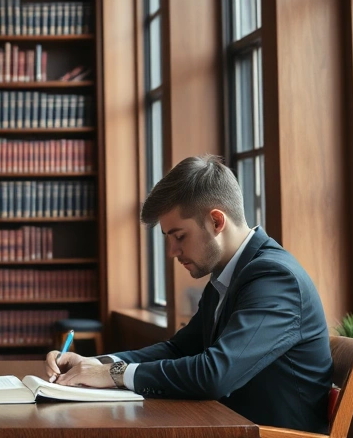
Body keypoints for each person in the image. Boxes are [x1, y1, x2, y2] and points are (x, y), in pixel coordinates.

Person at [45, 155, 333, 433]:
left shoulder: (274, 278)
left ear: (217, 222)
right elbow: (179, 349)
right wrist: (96, 364)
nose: (173, 252)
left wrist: (113, 375)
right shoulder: (231, 274)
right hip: (227, 425)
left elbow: (215, 374)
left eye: (180, 236)